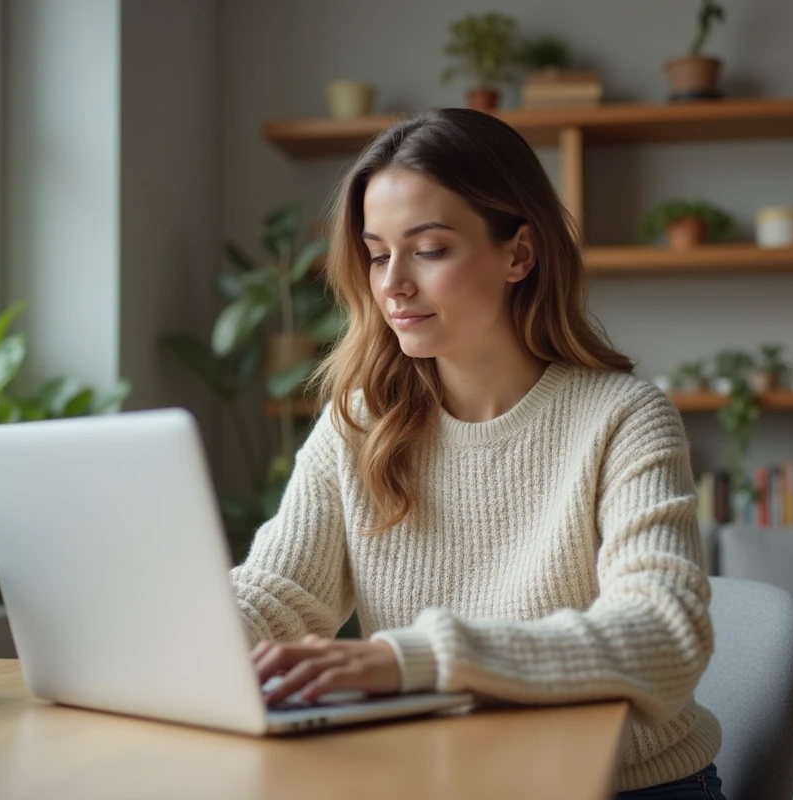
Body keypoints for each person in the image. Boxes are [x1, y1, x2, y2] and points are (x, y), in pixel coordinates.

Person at [229, 107, 725, 800]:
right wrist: (178, 631)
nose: (393, 284)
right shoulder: (361, 422)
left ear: (518, 254)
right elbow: (278, 595)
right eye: (377, 254)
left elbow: (664, 637)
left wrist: (414, 659)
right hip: (437, 776)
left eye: (428, 249)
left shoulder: (623, 417)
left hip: (622, 785)